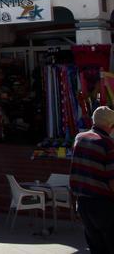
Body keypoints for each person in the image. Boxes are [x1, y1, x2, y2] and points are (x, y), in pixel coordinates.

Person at [70, 105, 114, 253]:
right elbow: (112, 179)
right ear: (110, 125)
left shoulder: (79, 138)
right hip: (103, 204)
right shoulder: (107, 143)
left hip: (83, 202)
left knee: (95, 246)